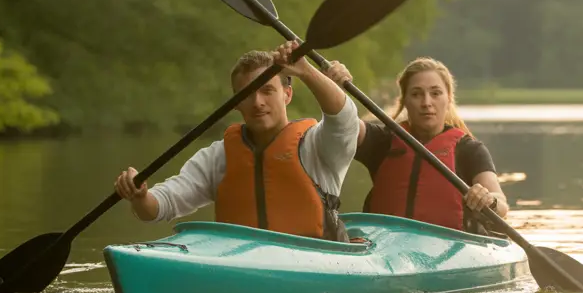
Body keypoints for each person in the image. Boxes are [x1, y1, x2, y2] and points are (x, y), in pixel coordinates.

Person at [113, 40, 359, 241]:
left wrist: (305, 71)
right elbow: (160, 206)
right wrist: (140, 196)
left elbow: (344, 118)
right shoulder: (218, 157)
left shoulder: (318, 145)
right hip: (242, 264)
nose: (257, 102)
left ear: (287, 94)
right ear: (236, 102)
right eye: (247, 94)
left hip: (316, 262)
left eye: (267, 90)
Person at [339, 56, 508, 234]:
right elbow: (343, 122)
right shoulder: (383, 141)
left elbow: (501, 205)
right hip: (385, 248)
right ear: (405, 101)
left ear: (448, 98)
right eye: (416, 94)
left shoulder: (470, 150)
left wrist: (489, 200)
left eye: (435, 93)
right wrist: (334, 86)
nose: (426, 103)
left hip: (451, 252)